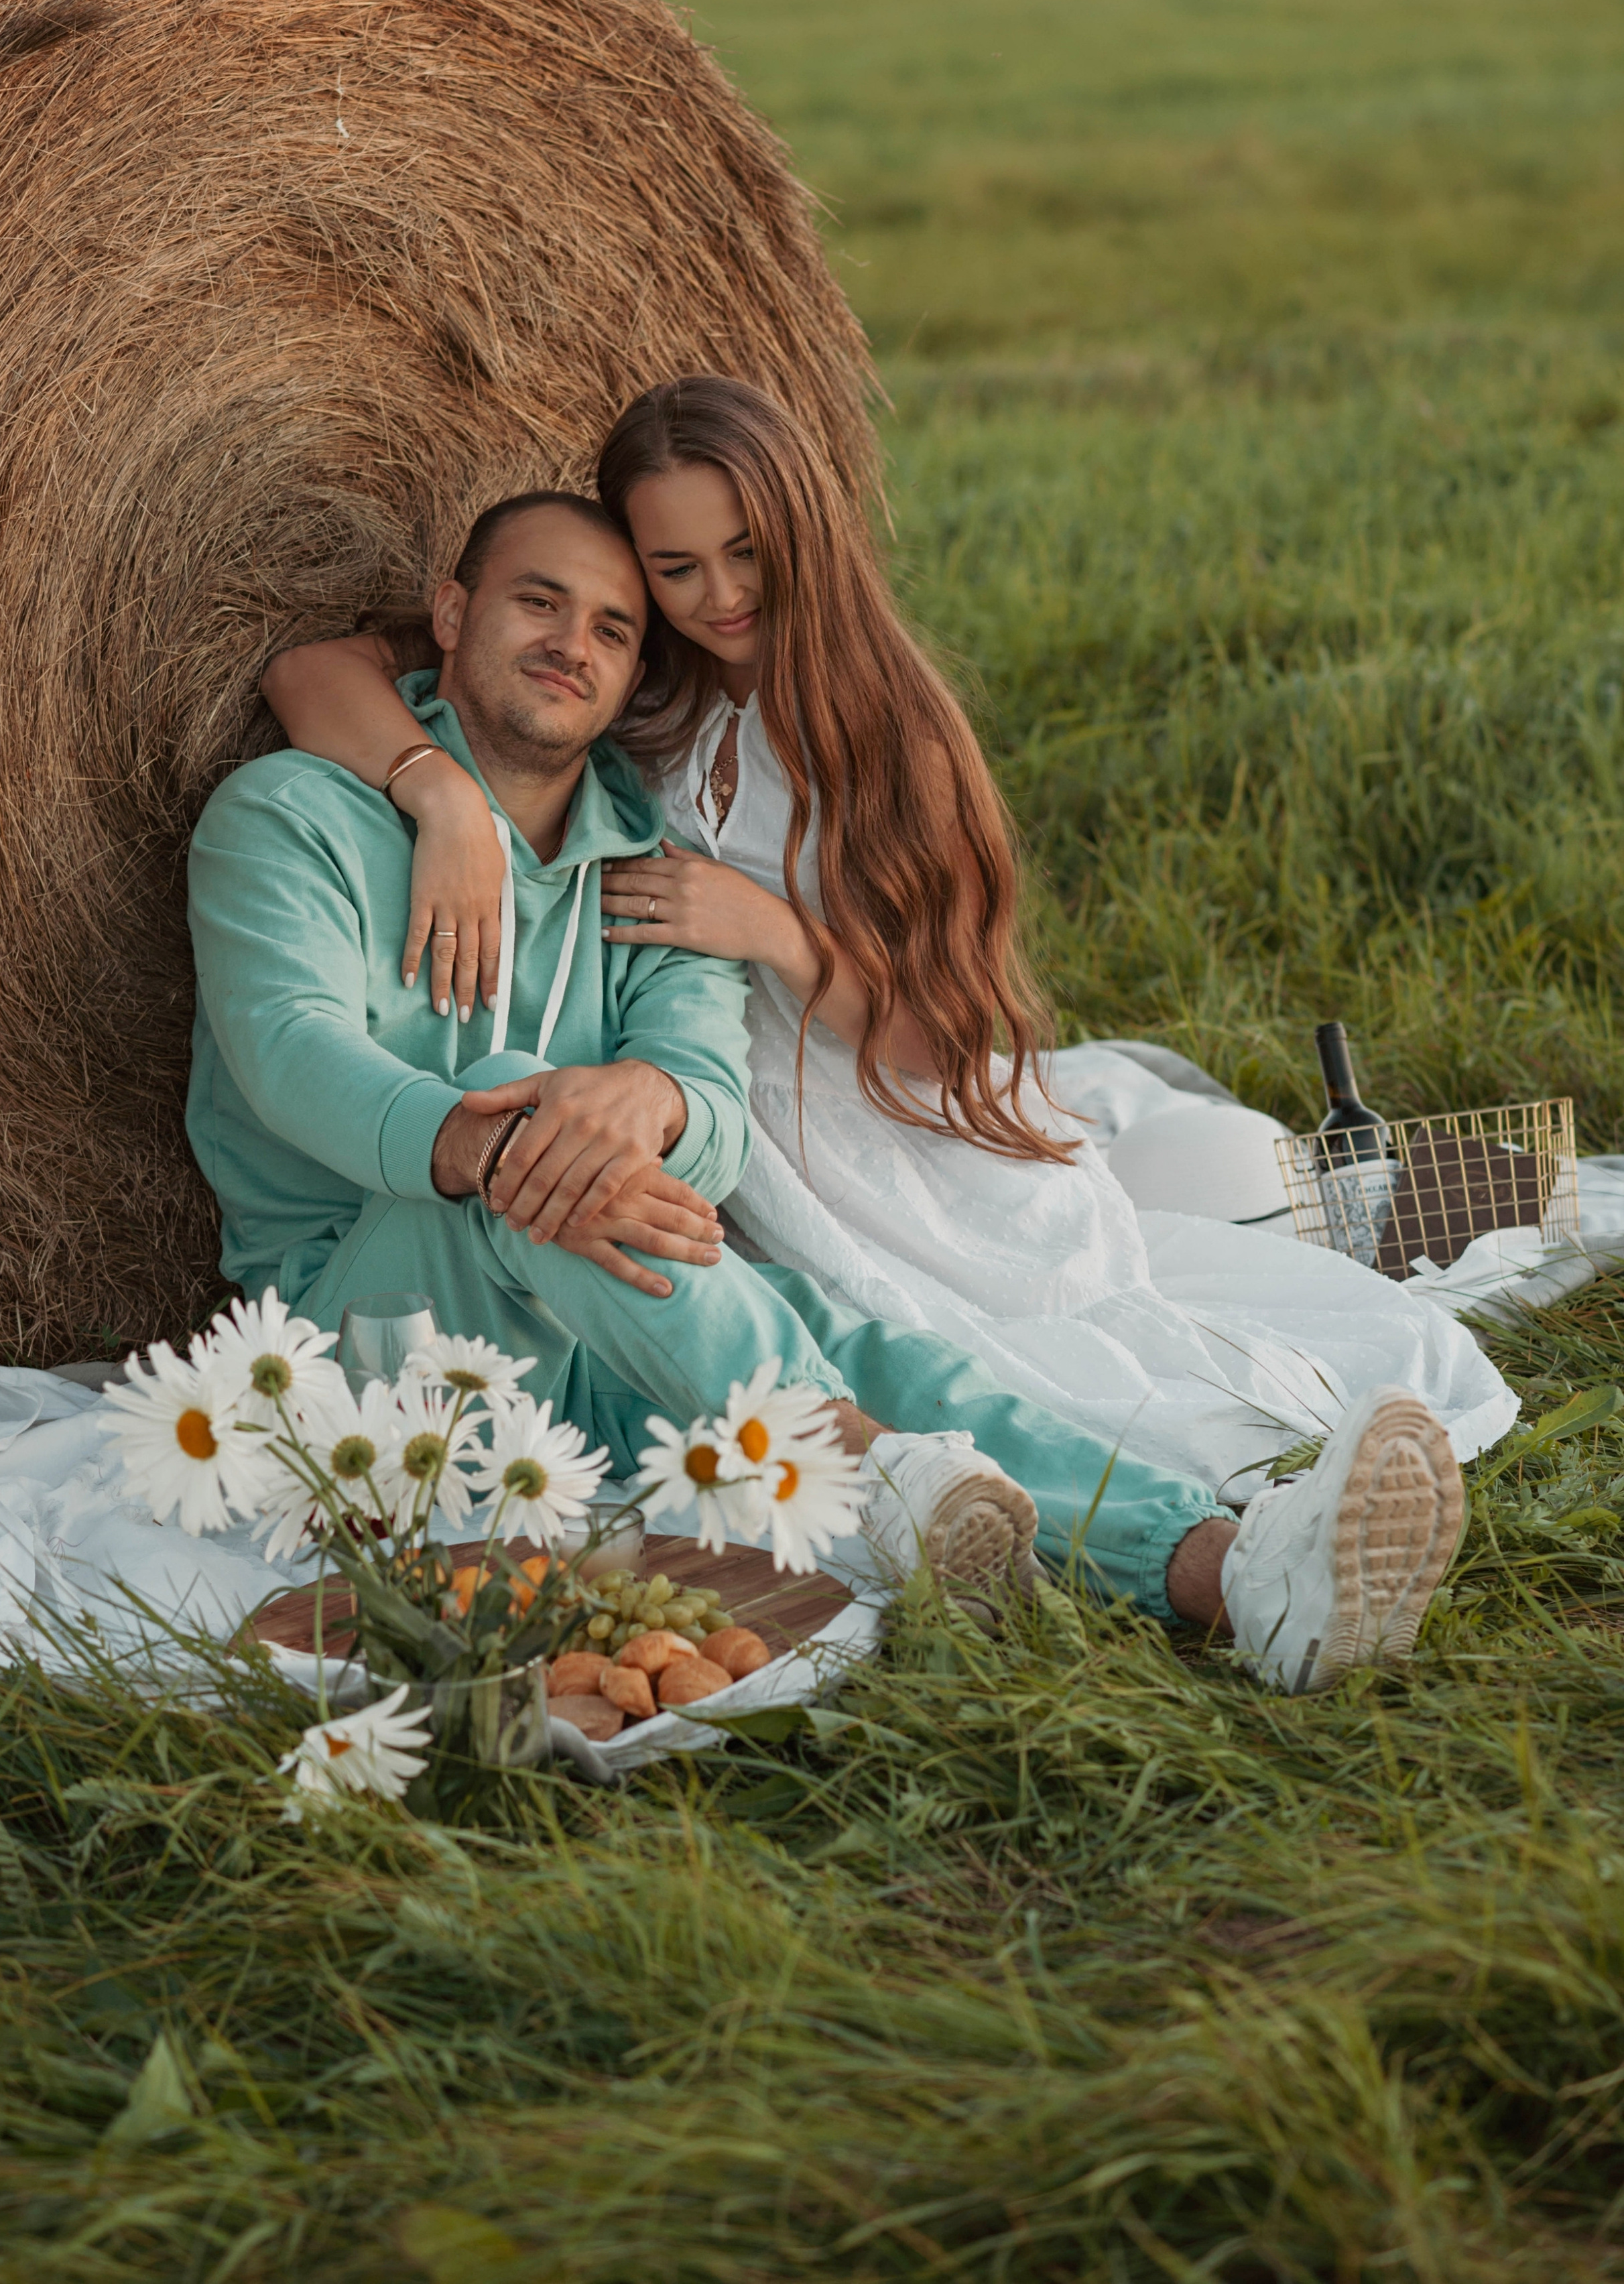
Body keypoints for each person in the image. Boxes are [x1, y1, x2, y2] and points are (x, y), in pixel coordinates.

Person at [195, 490, 1465, 1692]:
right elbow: (288, 1048)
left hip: (607, 1318)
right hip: (360, 1342)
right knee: (537, 1117)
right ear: (452, 608)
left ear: (638, 673)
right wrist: (496, 1134)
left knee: (883, 1355)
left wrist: (655, 1105)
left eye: (614, 628)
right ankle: (865, 1470)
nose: (571, 645)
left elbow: (709, 1103)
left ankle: (1242, 1575)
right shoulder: (291, 816)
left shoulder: (645, 866)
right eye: (539, 603)